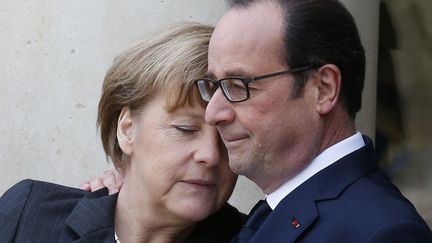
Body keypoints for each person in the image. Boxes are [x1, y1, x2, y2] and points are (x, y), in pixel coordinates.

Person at [194, 0, 432, 242]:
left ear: (323, 89)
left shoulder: (384, 232)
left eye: (237, 86)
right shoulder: (280, 206)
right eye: (213, 86)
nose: (213, 114)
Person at [0, 22, 245, 243]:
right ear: (127, 129)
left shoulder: (256, 236)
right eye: (186, 129)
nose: (211, 155)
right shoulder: (29, 214)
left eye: (227, 135)